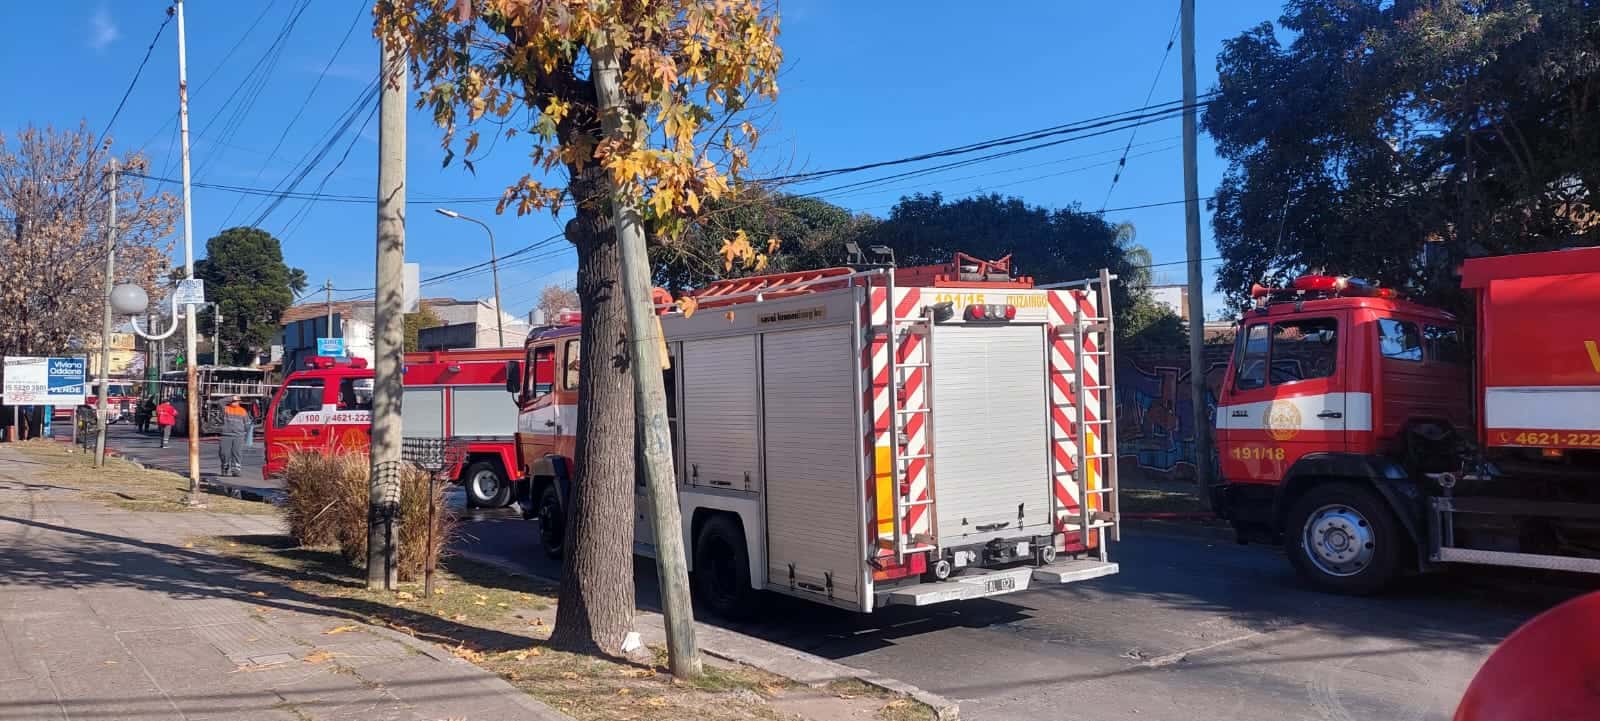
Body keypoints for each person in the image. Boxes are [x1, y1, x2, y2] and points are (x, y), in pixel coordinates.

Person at [219, 396, 250, 477]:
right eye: (233, 401)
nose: (235, 402)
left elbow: (247, 424)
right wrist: (231, 397)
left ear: (239, 402)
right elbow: (220, 402)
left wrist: (245, 433)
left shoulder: (242, 411)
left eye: (236, 401)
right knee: (224, 453)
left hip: (239, 436)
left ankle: (236, 470)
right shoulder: (226, 409)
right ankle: (225, 468)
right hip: (226, 435)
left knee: (236, 453)